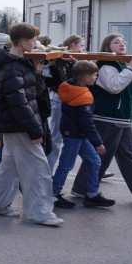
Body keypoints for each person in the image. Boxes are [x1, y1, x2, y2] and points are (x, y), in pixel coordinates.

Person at [69, 33, 132, 204]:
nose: (122, 45)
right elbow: (114, 87)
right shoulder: (106, 66)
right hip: (107, 118)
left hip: (121, 118)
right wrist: (131, 68)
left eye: (124, 42)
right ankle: (83, 189)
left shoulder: (121, 65)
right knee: (102, 155)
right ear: (107, 48)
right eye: (117, 42)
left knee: (128, 155)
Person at [0, 22, 64, 226]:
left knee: (9, 166)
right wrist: (34, 129)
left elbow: (27, 96)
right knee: (38, 168)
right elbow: (19, 103)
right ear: (23, 43)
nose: (36, 43)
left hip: (13, 124)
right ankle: (40, 212)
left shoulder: (14, 62)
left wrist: (36, 73)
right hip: (19, 125)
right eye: (33, 40)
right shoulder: (13, 67)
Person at [50, 60, 113, 208]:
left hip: (73, 132)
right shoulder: (83, 97)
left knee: (94, 161)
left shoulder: (68, 86)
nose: (96, 78)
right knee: (66, 165)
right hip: (75, 135)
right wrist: (98, 143)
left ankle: (92, 195)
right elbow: (87, 124)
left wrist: (75, 64)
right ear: (86, 78)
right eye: (95, 75)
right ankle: (53, 194)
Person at [44, 35, 86, 172]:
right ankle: (47, 171)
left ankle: (93, 164)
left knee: (82, 138)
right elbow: (63, 83)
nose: (83, 49)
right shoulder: (58, 59)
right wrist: (74, 65)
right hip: (59, 101)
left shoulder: (73, 60)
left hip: (73, 103)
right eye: (81, 46)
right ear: (73, 46)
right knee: (56, 139)